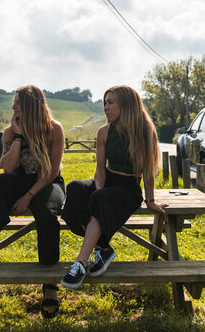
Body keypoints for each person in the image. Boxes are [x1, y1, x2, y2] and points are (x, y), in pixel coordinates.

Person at [0, 85, 65, 318]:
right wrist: (18, 136)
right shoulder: (10, 131)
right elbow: (7, 169)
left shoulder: (54, 129)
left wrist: (28, 196)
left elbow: (51, 171)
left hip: (49, 183)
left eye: (17, 102)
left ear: (30, 105)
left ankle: (50, 285)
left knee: (46, 214)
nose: (13, 106)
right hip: (20, 180)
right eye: (14, 102)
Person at [60, 85, 168, 289]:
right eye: (105, 103)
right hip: (107, 182)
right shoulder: (103, 132)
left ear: (126, 105)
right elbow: (100, 170)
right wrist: (99, 190)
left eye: (111, 103)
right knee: (75, 188)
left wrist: (150, 200)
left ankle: (81, 262)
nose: (106, 108)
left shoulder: (144, 131)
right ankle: (103, 248)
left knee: (99, 200)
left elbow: (148, 171)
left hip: (129, 188)